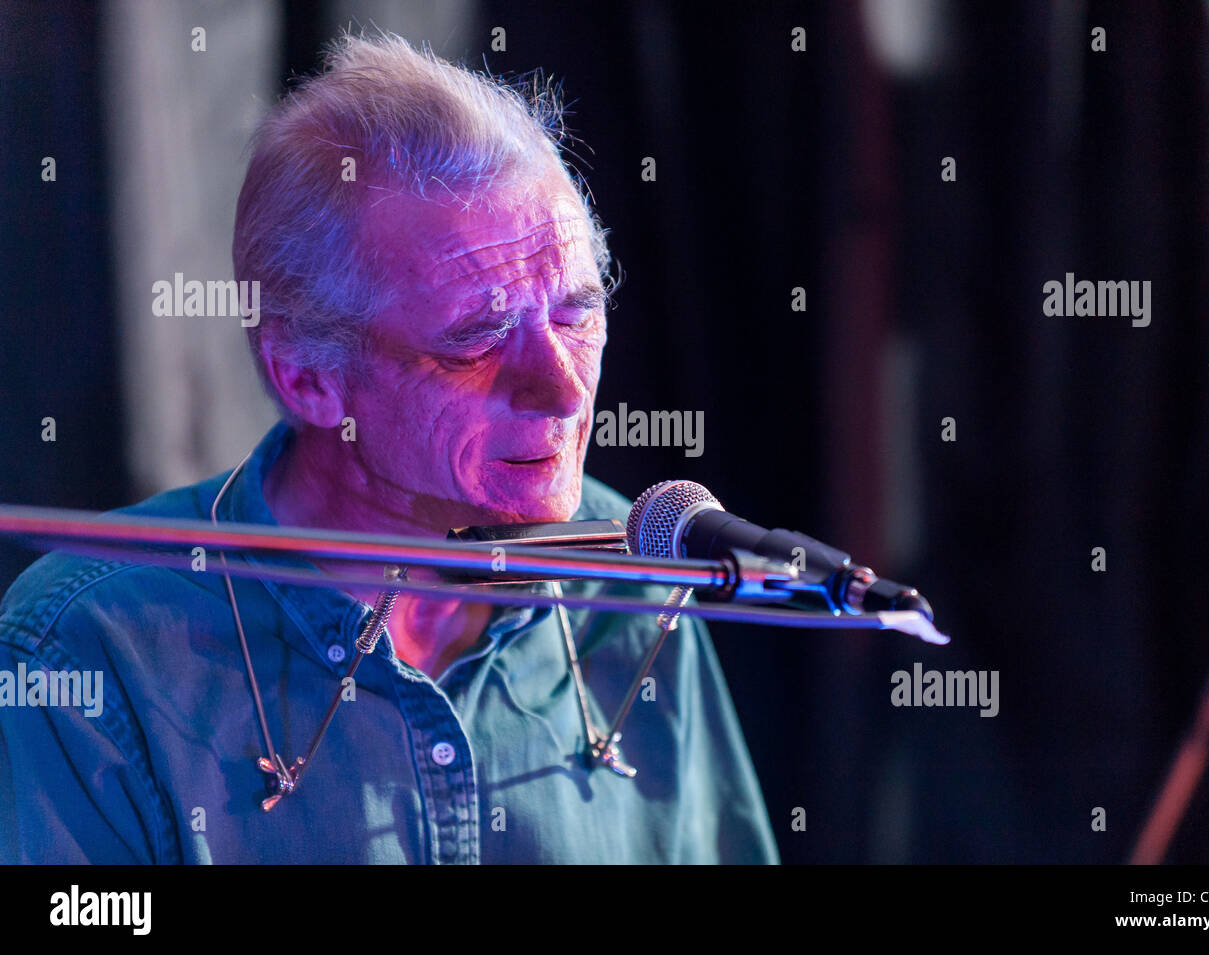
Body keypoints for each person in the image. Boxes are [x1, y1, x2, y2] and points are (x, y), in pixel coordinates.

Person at [0, 32, 779, 864]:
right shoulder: (88, 647)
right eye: (475, 339)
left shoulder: (635, 569)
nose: (560, 389)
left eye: (575, 313)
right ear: (306, 378)